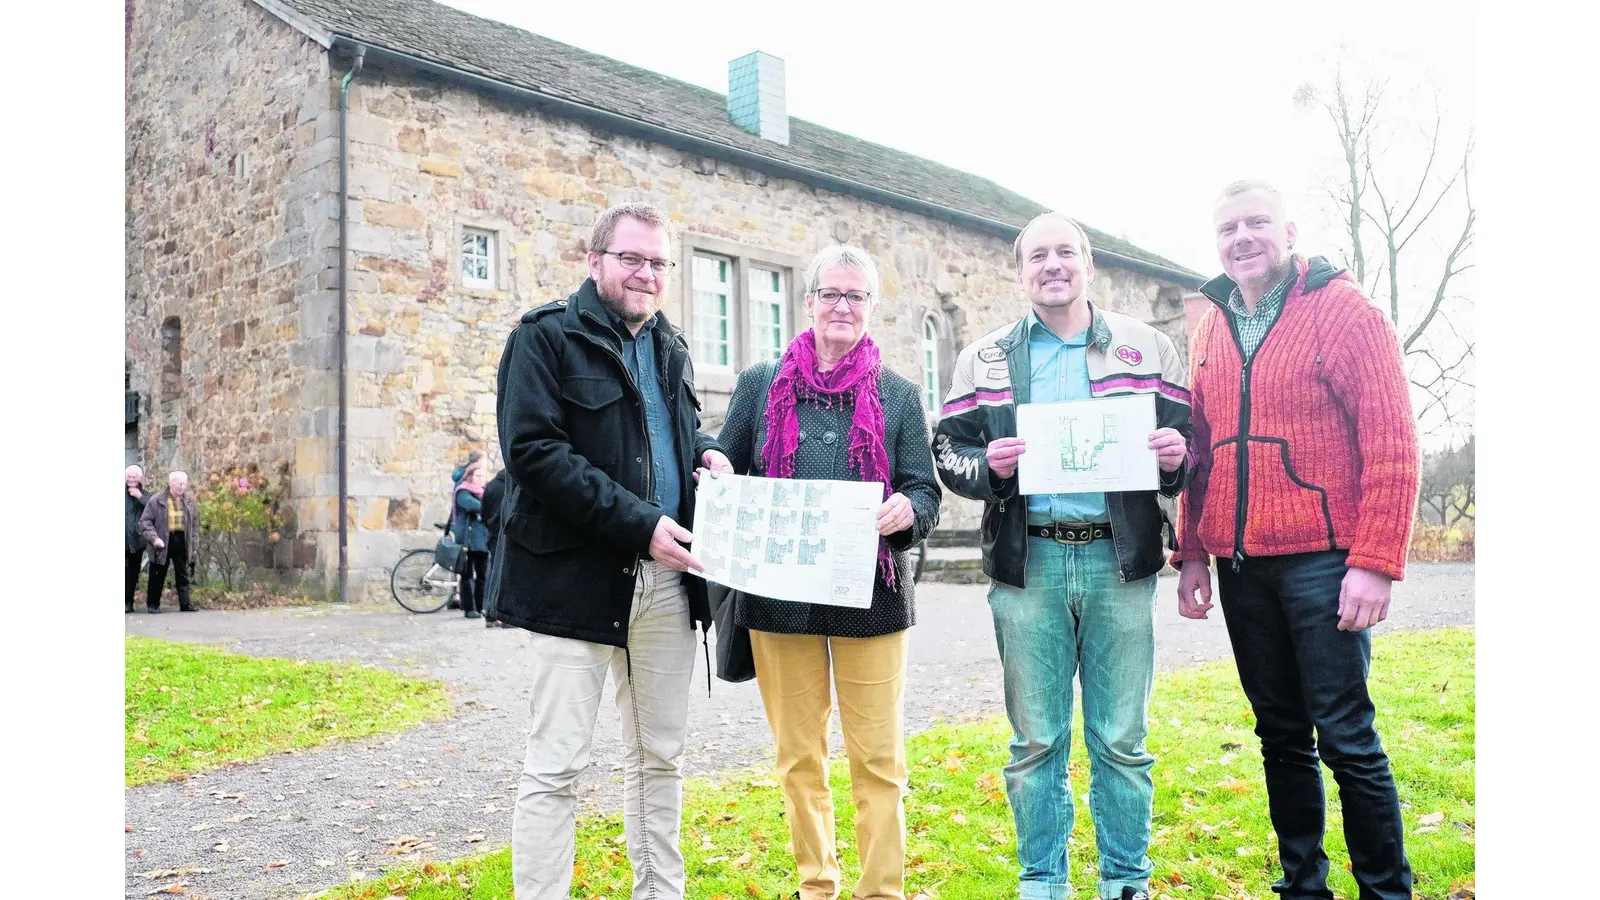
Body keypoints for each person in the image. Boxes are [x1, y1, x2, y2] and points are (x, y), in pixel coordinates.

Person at [931, 212, 1192, 900]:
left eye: (1066, 252)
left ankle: (1125, 882)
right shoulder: (985, 358)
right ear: (1020, 272)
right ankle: (1044, 882)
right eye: (1038, 255)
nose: (1053, 264)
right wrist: (988, 465)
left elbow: (1189, 447)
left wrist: (1177, 459)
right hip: (1030, 566)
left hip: (1119, 563)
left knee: (1121, 739)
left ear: (1089, 264)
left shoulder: (1147, 348)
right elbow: (946, 455)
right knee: (1036, 741)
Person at [1173, 180, 1421, 900]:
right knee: (1279, 737)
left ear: (1289, 229)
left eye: (1257, 223)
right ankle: (1302, 886)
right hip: (1243, 567)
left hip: (1325, 561)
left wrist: (1375, 562)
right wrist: (1193, 548)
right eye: (1228, 228)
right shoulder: (1212, 327)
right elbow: (1201, 447)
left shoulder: (1346, 312)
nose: (1242, 237)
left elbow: (1393, 444)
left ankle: (1385, 890)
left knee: (1346, 737)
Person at [492, 201, 733, 900]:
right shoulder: (543, 339)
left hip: (665, 585)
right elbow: (534, 454)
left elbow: (680, 436)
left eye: (659, 262)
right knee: (556, 766)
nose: (647, 274)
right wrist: (638, 525)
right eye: (632, 258)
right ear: (594, 261)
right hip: (573, 584)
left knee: (660, 759)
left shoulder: (670, 348)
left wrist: (711, 454)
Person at [715, 245, 942, 900]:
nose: (843, 306)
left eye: (857, 296)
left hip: (872, 599)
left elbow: (925, 492)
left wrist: (908, 510)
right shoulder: (761, 384)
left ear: (871, 307)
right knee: (798, 760)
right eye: (831, 293)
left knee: (877, 763)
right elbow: (722, 454)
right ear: (808, 300)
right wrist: (720, 469)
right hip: (779, 600)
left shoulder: (898, 394)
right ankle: (818, 885)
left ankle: (880, 892)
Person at [138, 471, 200, 613]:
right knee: (158, 573)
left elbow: (195, 523)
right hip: (162, 540)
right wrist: (154, 538)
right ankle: (153, 605)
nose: (182, 487)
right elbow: (145, 522)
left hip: (181, 539)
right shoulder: (156, 500)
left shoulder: (189, 501)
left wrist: (194, 541)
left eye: (184, 483)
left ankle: (185, 604)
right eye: (179, 483)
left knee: (182, 574)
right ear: (171, 483)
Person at [452, 465, 491, 621]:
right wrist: (488, 507)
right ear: (470, 476)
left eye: (483, 476)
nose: (481, 479)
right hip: (467, 541)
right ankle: (469, 608)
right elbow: (474, 506)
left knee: (482, 575)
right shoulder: (463, 491)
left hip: (482, 540)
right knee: (467, 575)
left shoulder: (485, 493)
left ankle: (481, 607)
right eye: (477, 476)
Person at [480, 469, 507, 628]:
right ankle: (504, 617)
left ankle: (490, 615)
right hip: (508, 535)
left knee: (493, 574)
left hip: (493, 534)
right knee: (506, 576)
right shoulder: (514, 486)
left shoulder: (491, 486)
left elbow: (483, 513)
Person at [125, 465, 149, 614]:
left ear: (140, 478)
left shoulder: (145, 495)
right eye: (129, 476)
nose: (131, 479)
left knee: (132, 574)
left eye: (134, 477)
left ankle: (128, 602)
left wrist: (139, 496)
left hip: (136, 542)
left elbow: (153, 507)